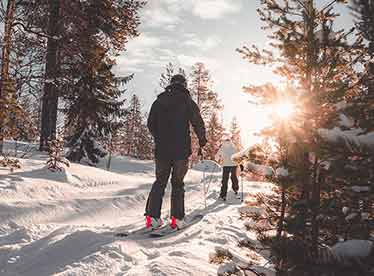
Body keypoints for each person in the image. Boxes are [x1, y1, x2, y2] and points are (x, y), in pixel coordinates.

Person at [145, 74, 207, 230]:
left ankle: (152, 218)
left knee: (160, 182)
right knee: (177, 184)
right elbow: (197, 122)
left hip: (162, 150)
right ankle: (177, 219)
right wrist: (202, 139)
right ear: (184, 85)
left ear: (171, 84)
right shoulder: (187, 101)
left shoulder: (159, 101)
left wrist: (159, 137)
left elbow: (150, 124)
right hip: (181, 150)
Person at [215, 134, 243, 201]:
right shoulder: (234, 147)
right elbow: (238, 156)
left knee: (225, 180)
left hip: (226, 166)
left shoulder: (222, 147)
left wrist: (218, 159)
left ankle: (223, 195)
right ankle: (235, 190)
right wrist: (240, 163)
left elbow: (216, 157)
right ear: (230, 141)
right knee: (234, 178)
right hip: (234, 165)